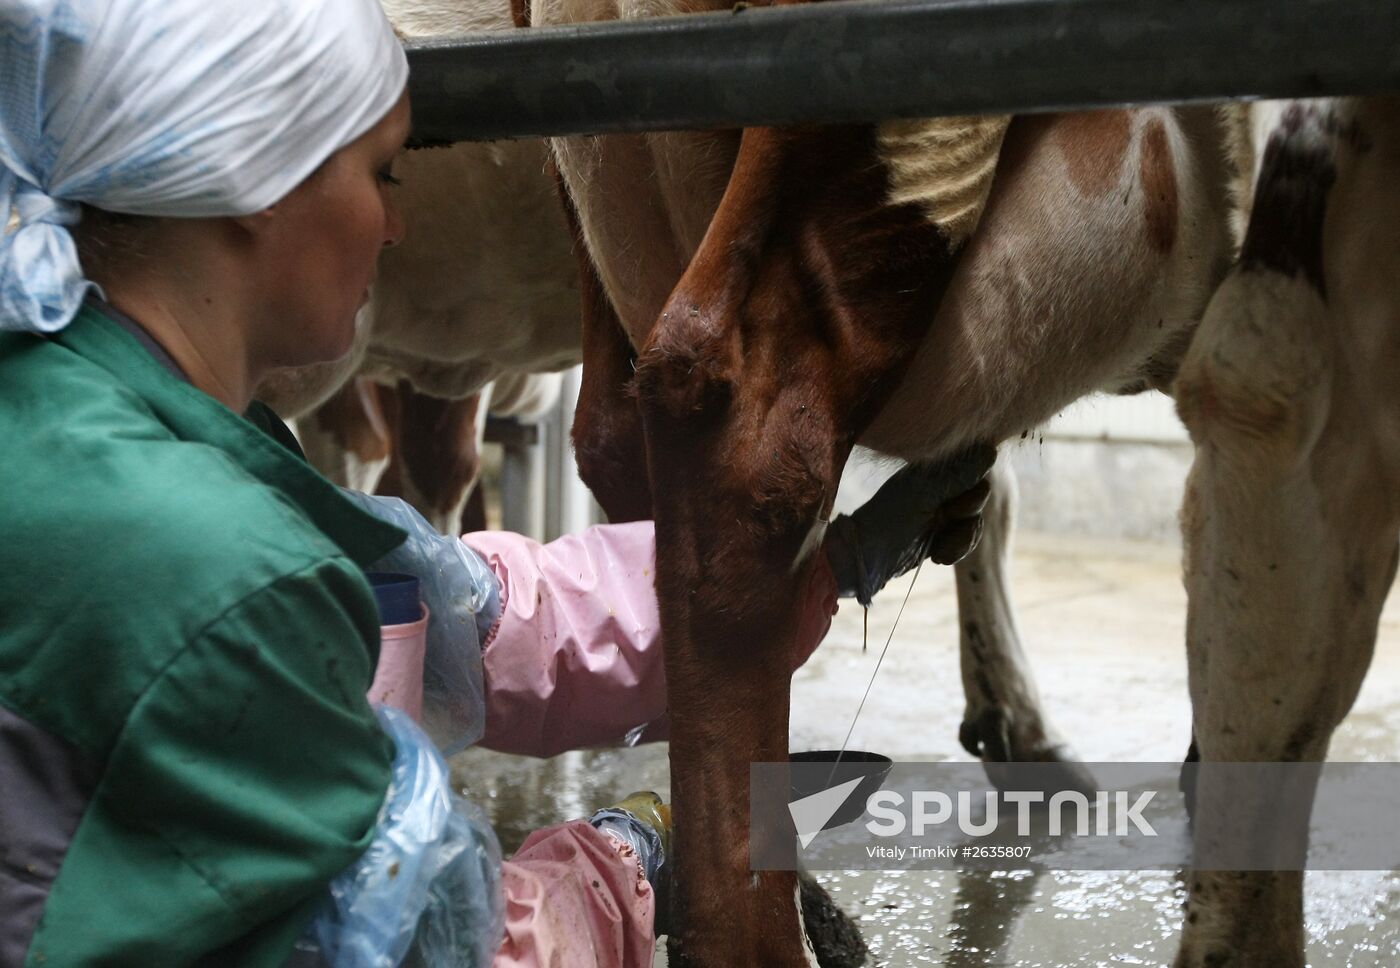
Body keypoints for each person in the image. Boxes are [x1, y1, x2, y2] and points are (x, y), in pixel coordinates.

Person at [0, 1, 993, 966]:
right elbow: (438, 945)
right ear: (258, 179)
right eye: (384, 173)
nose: (395, 222)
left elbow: (456, 616)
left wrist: (822, 562)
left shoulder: (91, 414)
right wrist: (636, 850)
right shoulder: (225, 566)